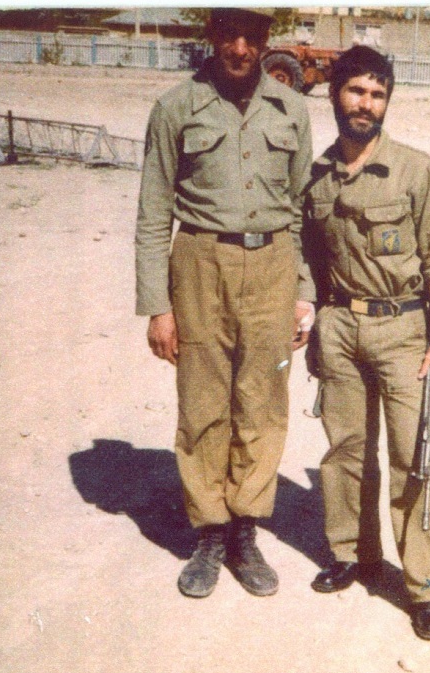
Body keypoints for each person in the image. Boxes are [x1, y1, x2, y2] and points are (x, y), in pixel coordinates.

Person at [135, 7, 315, 599]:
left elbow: (302, 210)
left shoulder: (292, 108)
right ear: (212, 35)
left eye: (252, 36)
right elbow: (153, 214)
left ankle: (245, 529)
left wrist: (304, 291)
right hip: (200, 262)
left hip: (272, 264)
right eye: (230, 34)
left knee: (262, 401)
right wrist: (158, 306)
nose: (240, 48)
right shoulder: (176, 107)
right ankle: (210, 532)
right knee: (203, 400)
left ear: (266, 40)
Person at [301, 46, 430, 640]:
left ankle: (426, 585)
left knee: (414, 456)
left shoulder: (416, 170)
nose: (366, 104)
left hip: (402, 332)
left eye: (377, 94)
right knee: (346, 450)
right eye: (356, 91)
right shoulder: (316, 175)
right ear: (334, 94)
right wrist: (310, 312)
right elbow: (308, 256)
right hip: (340, 326)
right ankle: (353, 554)